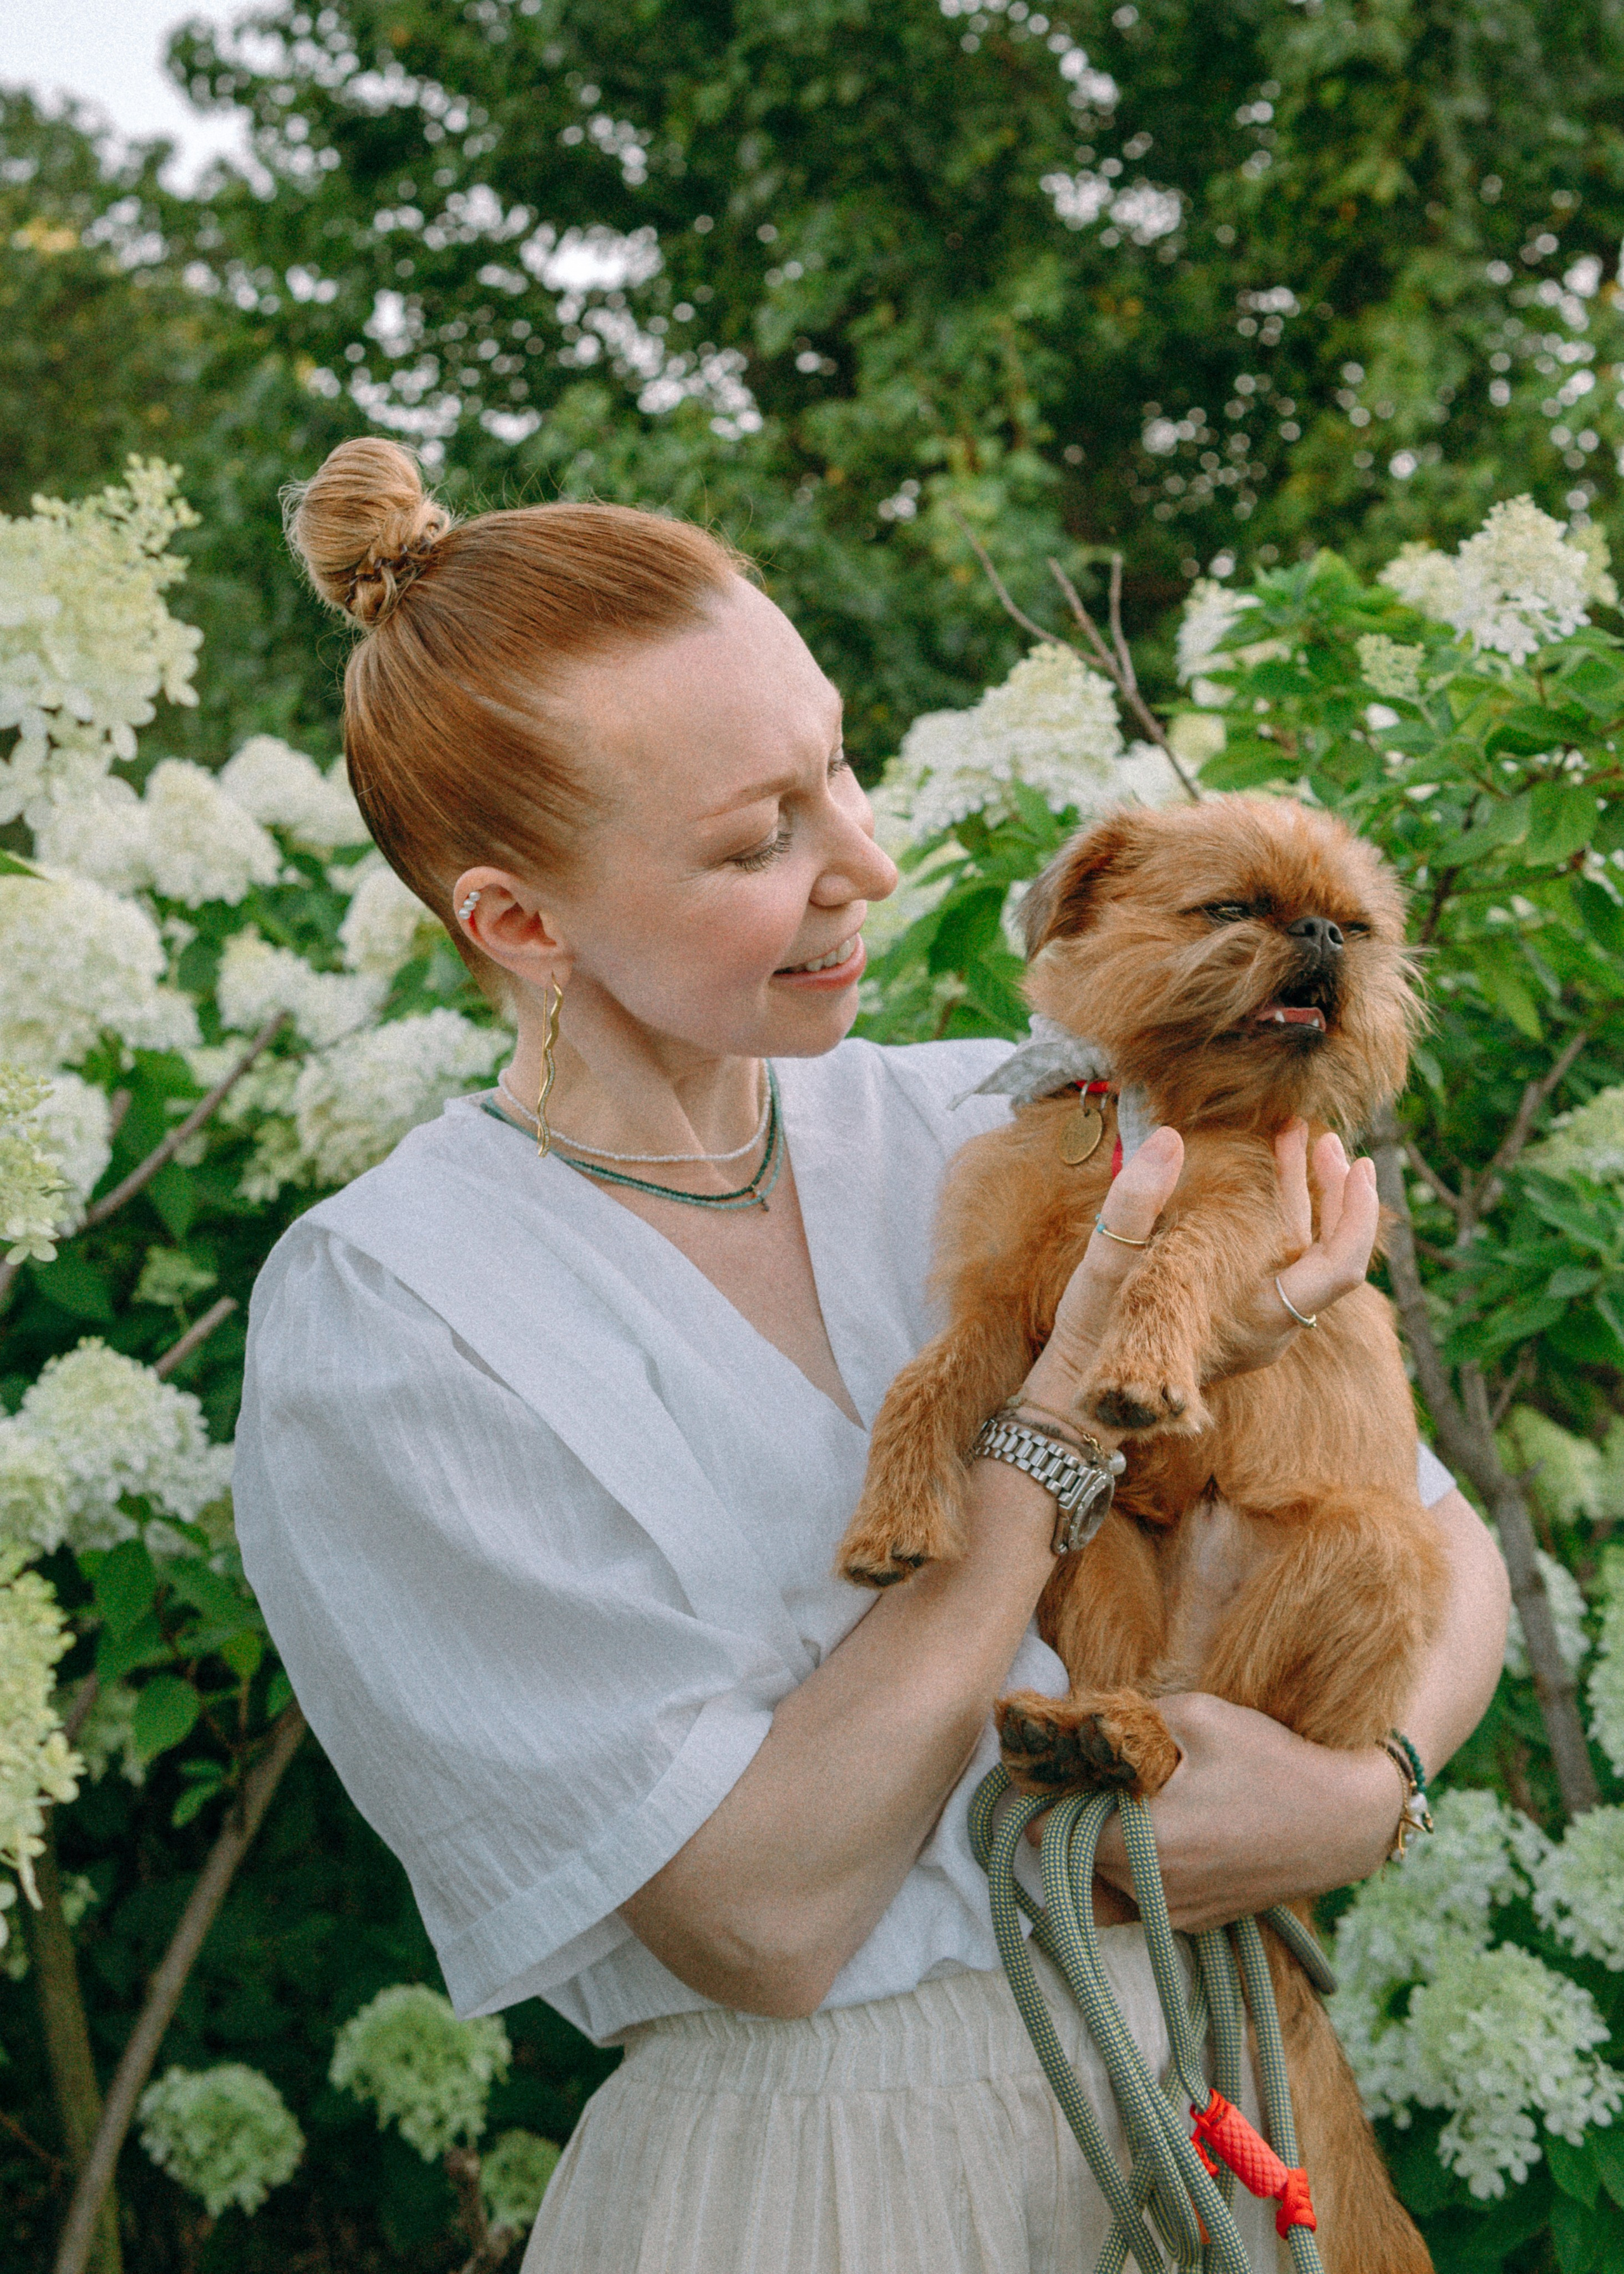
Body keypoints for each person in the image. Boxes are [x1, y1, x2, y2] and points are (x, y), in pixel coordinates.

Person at [233, 437, 1510, 2274]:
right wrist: (1054, 1430)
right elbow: (762, 1919)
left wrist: (1357, 1793)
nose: (873, 861)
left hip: (1206, 2119)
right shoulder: (402, 1312)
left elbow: (1434, 1533)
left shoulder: (988, 1120)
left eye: (836, 765)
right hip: (828, 2190)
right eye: (763, 837)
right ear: (516, 921)